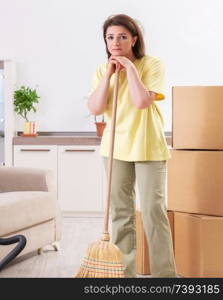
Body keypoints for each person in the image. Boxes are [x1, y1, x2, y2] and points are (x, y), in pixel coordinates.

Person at [86, 14, 176, 277]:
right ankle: (125, 276)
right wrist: (110, 75)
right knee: (121, 214)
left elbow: (141, 102)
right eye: (110, 37)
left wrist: (131, 69)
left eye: (123, 36)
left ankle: (165, 277)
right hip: (115, 149)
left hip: (148, 146)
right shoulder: (102, 70)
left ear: (134, 39)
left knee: (152, 212)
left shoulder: (152, 64)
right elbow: (95, 107)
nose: (116, 42)